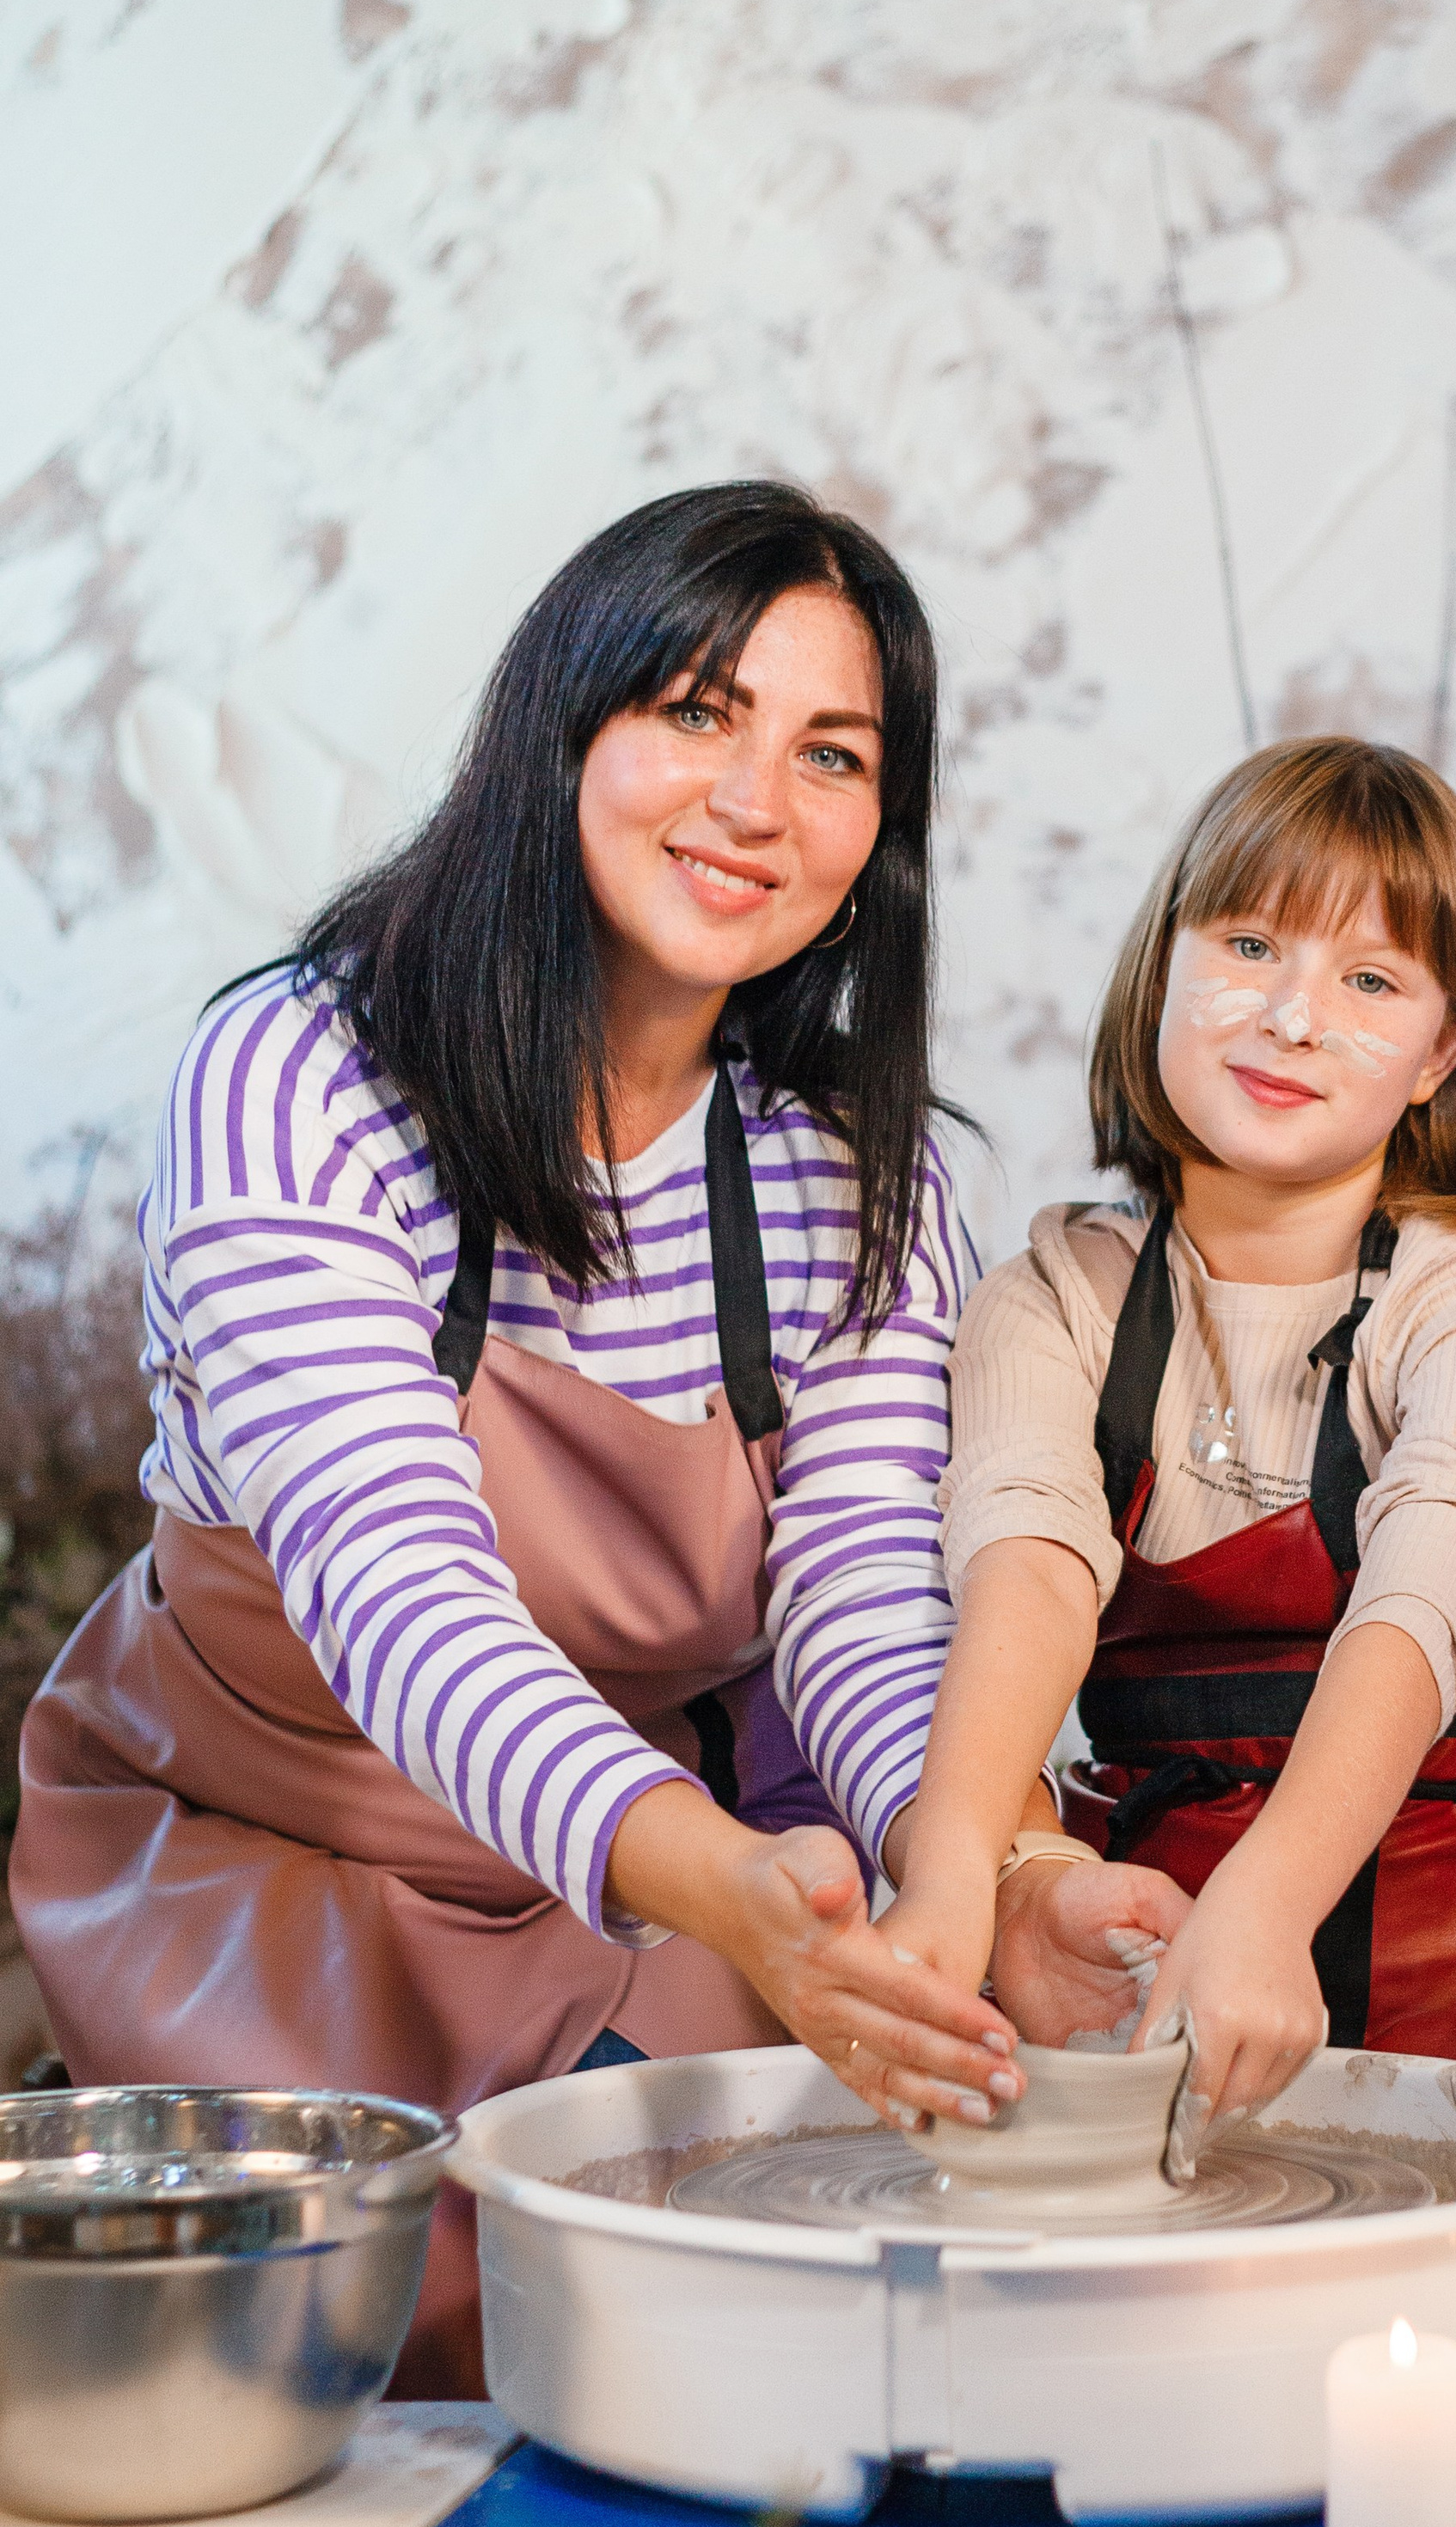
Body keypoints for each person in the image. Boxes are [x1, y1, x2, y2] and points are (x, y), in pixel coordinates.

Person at [9, 483, 1159, 2391]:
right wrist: (724, 1885)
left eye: (832, 753)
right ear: (564, 725)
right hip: (281, 1866)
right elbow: (400, 1602)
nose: (755, 800)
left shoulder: (857, 1175)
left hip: (680, 1881)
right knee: (365, 2405)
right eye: (698, 710)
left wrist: (996, 1871)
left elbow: (864, 1609)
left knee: (723, 2357)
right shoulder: (297, 1078)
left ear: (881, 833)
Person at [892, 736, 1456, 2429]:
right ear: (1160, 960)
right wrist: (952, 1885)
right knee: (1079, 2428)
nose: (1291, 1016)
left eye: (1367, 976)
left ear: (1445, 1043)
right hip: (1151, 1981)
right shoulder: (1053, 1294)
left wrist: (1268, 1905)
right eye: (1244, 946)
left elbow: (1417, 1604)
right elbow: (1022, 1571)